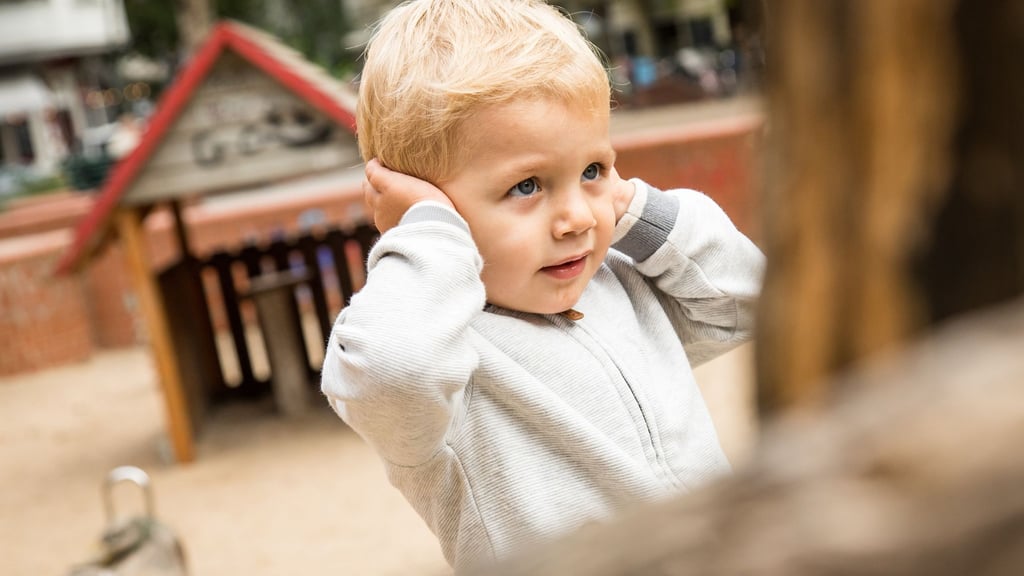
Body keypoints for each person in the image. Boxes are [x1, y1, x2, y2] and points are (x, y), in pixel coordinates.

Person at [320, 0, 765, 570]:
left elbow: (747, 298)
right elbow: (392, 372)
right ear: (423, 203)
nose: (577, 217)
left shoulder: (618, 287)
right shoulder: (448, 362)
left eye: (591, 170)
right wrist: (429, 235)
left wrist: (629, 207)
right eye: (528, 185)